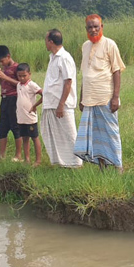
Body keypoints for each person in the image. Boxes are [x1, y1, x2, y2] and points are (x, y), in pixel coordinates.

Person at [75, 14, 126, 171]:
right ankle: (102, 167)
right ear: (86, 29)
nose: (93, 29)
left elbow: (117, 71)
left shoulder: (110, 44)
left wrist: (115, 97)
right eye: (90, 27)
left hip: (105, 97)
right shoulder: (85, 46)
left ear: (102, 27)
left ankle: (118, 166)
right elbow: (86, 73)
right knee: (95, 135)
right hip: (89, 99)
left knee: (111, 133)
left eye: (96, 26)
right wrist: (82, 97)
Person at [41, 29, 82, 168]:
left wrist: (61, 104)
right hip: (51, 103)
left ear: (51, 42)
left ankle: (76, 162)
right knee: (52, 133)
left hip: (62, 104)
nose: (45, 43)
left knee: (69, 134)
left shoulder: (65, 57)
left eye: (46, 40)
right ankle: (61, 162)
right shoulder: (53, 57)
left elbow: (68, 82)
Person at [0, 45, 21, 160]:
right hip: (4, 99)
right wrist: (0, 77)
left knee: (15, 127)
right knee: (2, 127)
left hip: (14, 99)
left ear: (8, 56)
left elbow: (20, 84)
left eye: (2, 61)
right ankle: (1, 155)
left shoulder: (17, 68)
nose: (1, 64)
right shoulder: (4, 69)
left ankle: (18, 155)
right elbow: (3, 84)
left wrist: (5, 77)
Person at [15, 63, 43, 165]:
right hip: (21, 118)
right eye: (19, 76)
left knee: (35, 138)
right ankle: (27, 159)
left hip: (30, 118)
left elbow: (43, 94)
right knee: (24, 138)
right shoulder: (18, 85)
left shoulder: (32, 85)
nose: (22, 78)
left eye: (24, 76)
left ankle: (38, 160)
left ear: (29, 74)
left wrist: (35, 105)